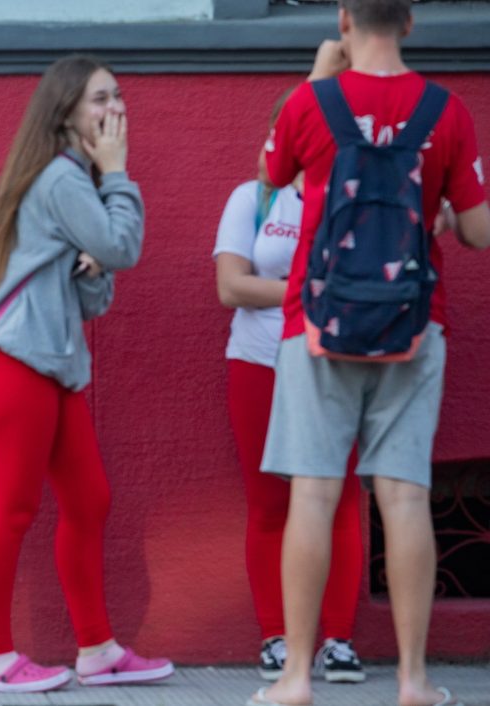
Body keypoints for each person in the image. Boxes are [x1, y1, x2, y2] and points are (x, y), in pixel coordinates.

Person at [251, 2, 490, 705]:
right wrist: (442, 214)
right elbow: (476, 231)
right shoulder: (447, 110)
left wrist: (317, 76)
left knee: (314, 494)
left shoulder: (311, 102)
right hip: (413, 323)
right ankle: (414, 682)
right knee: (404, 495)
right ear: (411, 23)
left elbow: (270, 175)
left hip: (316, 320)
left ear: (344, 18)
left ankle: (295, 678)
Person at [0, 54, 172, 693]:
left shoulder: (66, 179)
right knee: (10, 511)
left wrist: (93, 271)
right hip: (20, 366)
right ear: (67, 112)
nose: (116, 111)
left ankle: (98, 650)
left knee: (88, 500)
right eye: (101, 100)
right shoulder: (63, 179)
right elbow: (123, 246)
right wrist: (119, 174)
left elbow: (94, 288)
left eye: (120, 97)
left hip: (53, 366)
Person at [214, 102, 365, 684]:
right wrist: (308, 291)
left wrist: (277, 288)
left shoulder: (351, 197)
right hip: (258, 364)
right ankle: (276, 637)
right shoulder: (253, 199)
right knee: (270, 502)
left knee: (341, 500)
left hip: (334, 365)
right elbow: (230, 286)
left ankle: (339, 642)